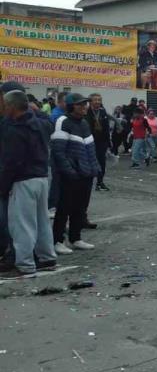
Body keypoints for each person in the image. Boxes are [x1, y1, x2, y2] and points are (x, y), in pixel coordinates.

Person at [0, 90, 57, 277]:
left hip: (22, 180)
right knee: (42, 221)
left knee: (22, 224)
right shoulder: (40, 123)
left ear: (12, 106)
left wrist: (3, 186)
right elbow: (49, 121)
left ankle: (25, 264)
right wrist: (36, 109)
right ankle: (47, 257)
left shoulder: (14, 130)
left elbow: (11, 162)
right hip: (41, 177)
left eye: (5, 105)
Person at [50, 93, 98, 254]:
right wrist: (69, 171)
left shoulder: (84, 123)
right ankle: (57, 241)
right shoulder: (63, 122)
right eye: (80, 104)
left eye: (85, 104)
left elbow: (90, 148)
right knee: (64, 208)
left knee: (80, 208)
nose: (84, 107)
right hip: (70, 175)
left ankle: (75, 238)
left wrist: (94, 168)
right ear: (72, 106)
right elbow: (58, 151)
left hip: (85, 174)